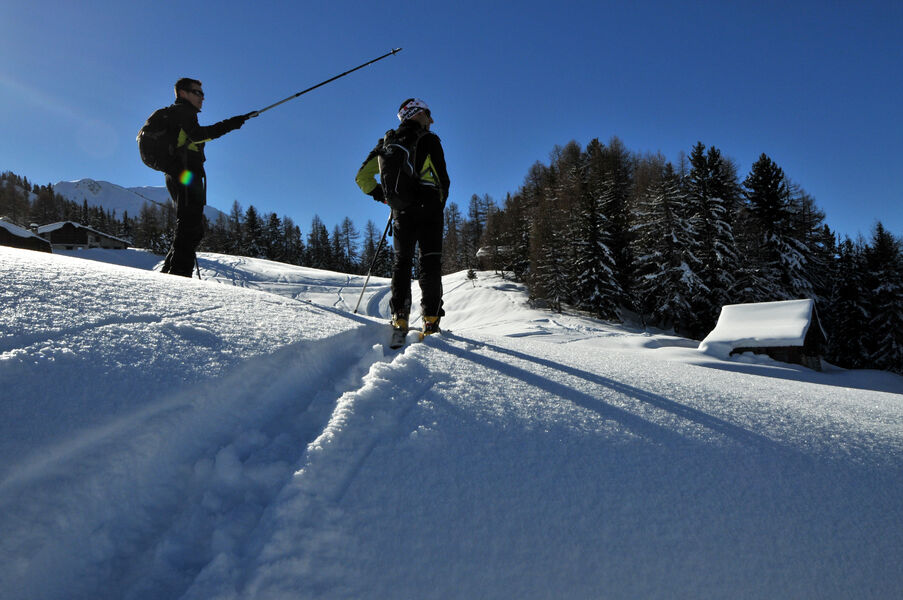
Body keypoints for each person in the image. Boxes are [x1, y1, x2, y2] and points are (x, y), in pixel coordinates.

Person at [355, 98, 450, 340]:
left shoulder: (387, 143)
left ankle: (400, 316)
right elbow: (443, 182)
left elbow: (362, 178)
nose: (432, 119)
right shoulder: (430, 140)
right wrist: (436, 204)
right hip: (429, 210)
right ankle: (430, 320)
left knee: (402, 263)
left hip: (402, 213)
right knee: (429, 263)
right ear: (417, 114)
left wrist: (385, 198)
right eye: (428, 113)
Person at [160, 78, 252, 277]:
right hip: (185, 173)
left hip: (179, 172)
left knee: (190, 224)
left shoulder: (180, 114)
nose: (202, 98)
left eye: (203, 94)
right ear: (183, 93)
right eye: (197, 93)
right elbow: (199, 135)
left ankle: (172, 272)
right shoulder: (182, 112)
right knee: (190, 224)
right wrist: (232, 123)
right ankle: (179, 274)